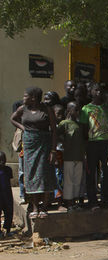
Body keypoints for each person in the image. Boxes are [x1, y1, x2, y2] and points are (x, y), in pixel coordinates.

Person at [10, 87, 58, 219]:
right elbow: (13, 119)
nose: (23, 98)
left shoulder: (47, 110)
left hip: (44, 145)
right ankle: (35, 206)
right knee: (31, 174)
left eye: (26, 96)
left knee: (44, 173)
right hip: (30, 146)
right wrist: (23, 128)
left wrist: (53, 150)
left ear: (33, 98)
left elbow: (54, 130)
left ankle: (44, 207)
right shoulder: (22, 109)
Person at [80, 82, 108, 209]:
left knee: (107, 172)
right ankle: (93, 201)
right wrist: (86, 144)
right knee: (91, 173)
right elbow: (84, 128)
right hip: (92, 143)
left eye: (100, 90)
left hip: (107, 142)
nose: (98, 92)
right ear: (91, 92)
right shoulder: (86, 109)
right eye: (96, 90)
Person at [57, 102, 87, 211]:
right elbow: (56, 135)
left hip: (78, 157)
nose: (78, 112)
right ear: (69, 110)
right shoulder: (64, 123)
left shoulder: (80, 125)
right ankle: (69, 203)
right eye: (76, 110)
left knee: (77, 181)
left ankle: (74, 202)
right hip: (68, 157)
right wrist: (63, 142)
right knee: (68, 181)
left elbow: (82, 142)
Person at [0, 151, 14, 236]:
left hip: (7, 194)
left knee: (8, 211)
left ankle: (8, 229)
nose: (2, 162)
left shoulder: (8, 169)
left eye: (3, 160)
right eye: (0, 160)